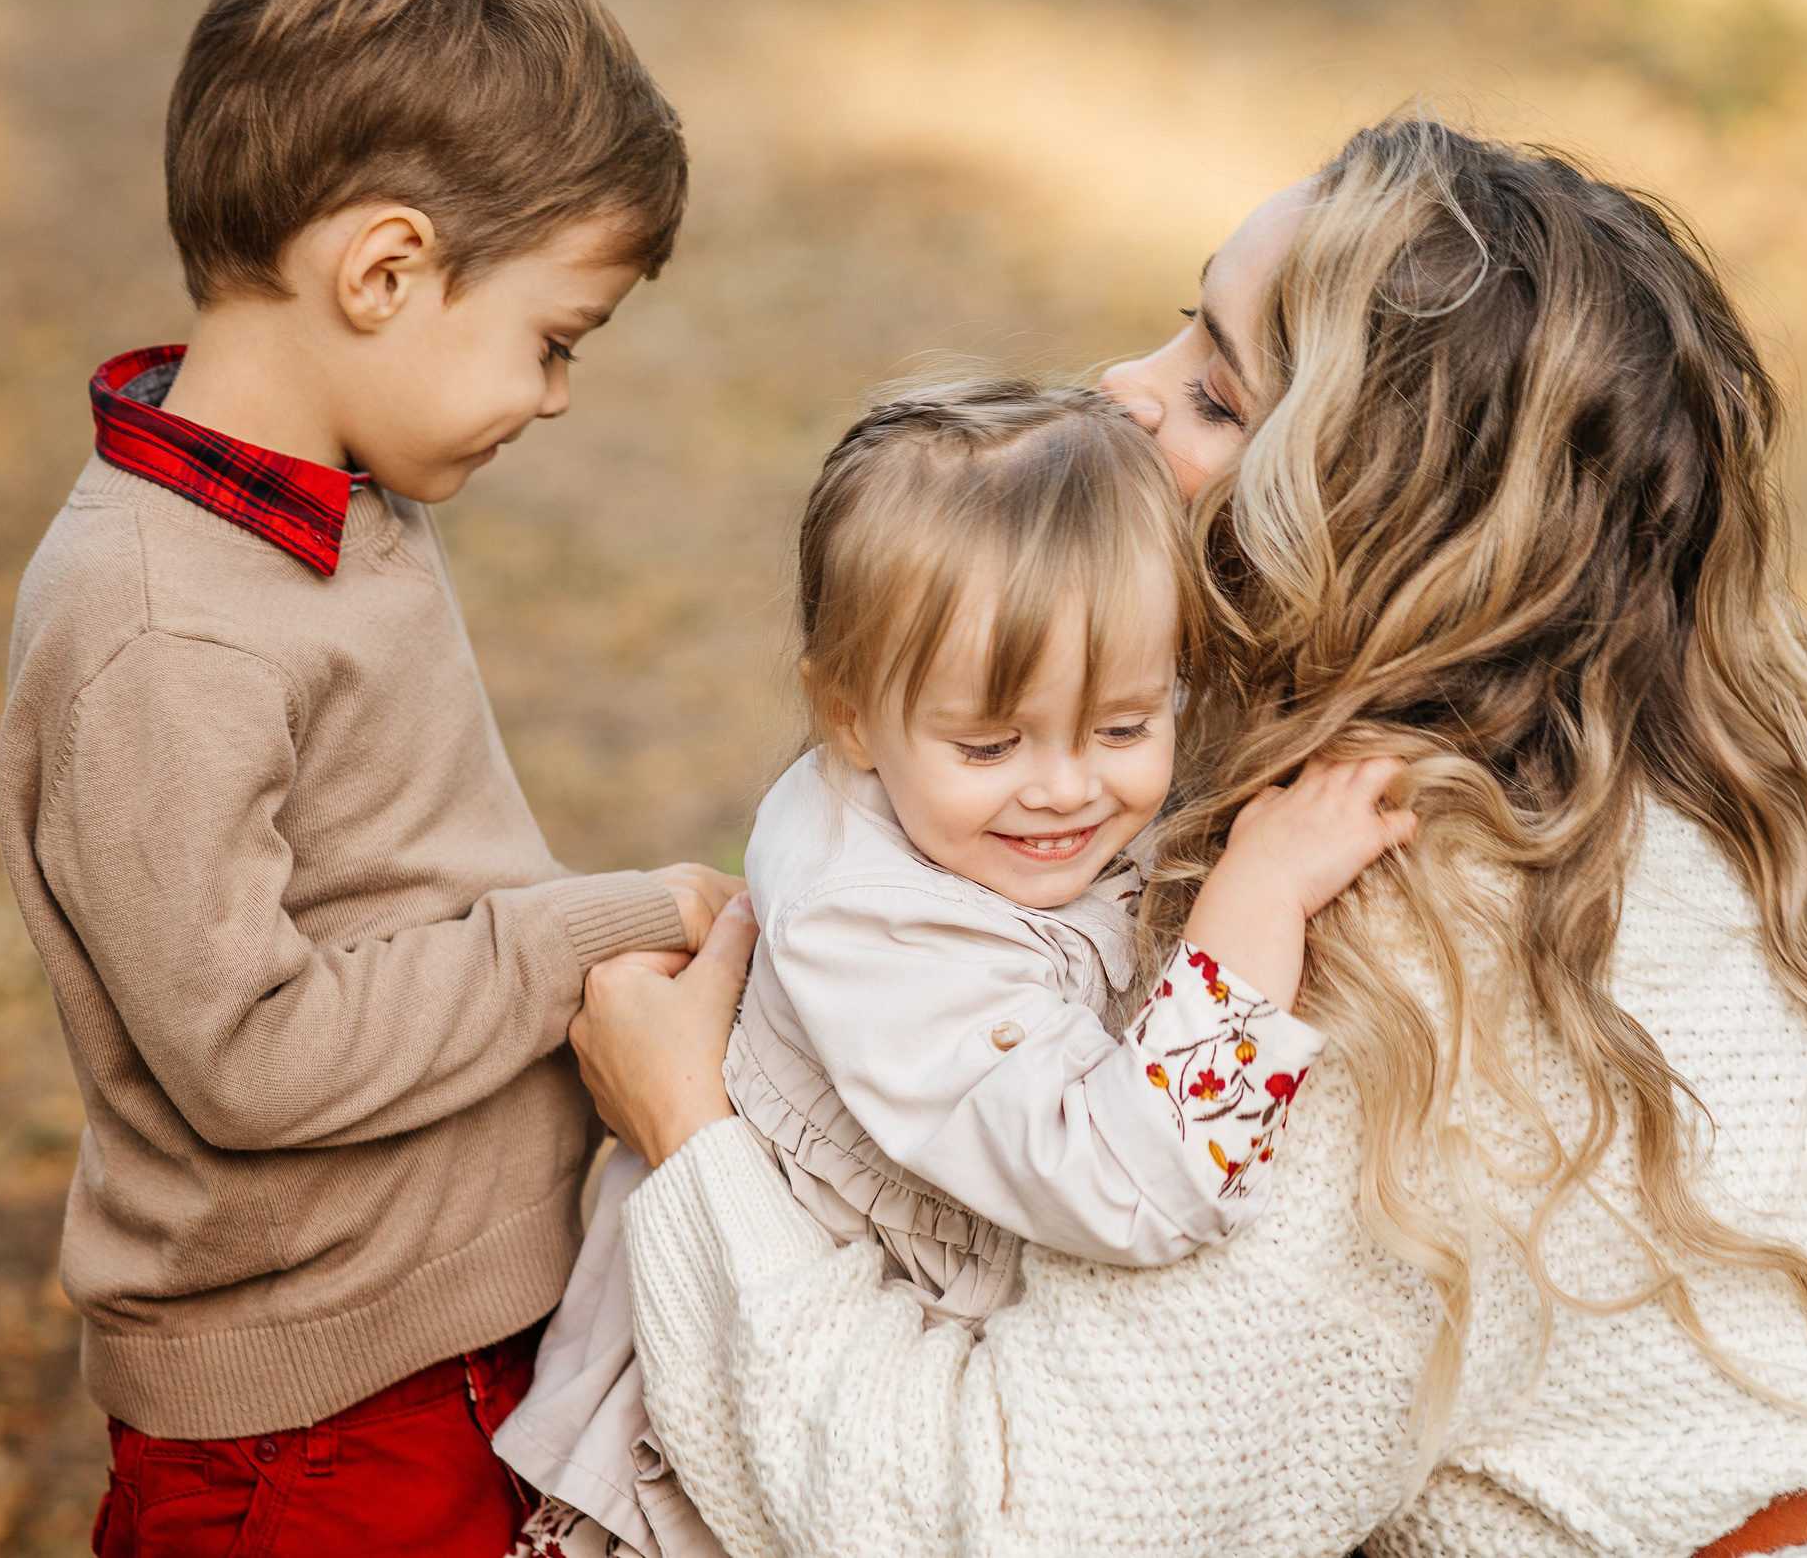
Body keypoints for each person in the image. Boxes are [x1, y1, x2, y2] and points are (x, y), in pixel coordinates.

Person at [572, 120, 1807, 1555]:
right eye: (1173, 329)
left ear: (1342, 527)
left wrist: (696, 1141)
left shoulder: (1387, 958)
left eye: (1214, 392)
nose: (1115, 399)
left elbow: (1006, 1521)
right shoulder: (1645, 784)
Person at [0, 0, 739, 1558]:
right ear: (385, 269)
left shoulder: (331, 508)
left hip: (436, 1355)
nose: (554, 396)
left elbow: (394, 884)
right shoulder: (162, 625)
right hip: (312, 1437)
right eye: (552, 341)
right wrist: (601, 927)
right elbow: (247, 1048)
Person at [498, 378, 1416, 1557]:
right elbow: (1133, 1185)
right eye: (989, 745)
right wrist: (1260, 893)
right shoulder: (877, 929)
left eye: (1126, 727)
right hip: (688, 1506)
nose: (1067, 788)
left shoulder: (1005, 808)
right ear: (847, 716)